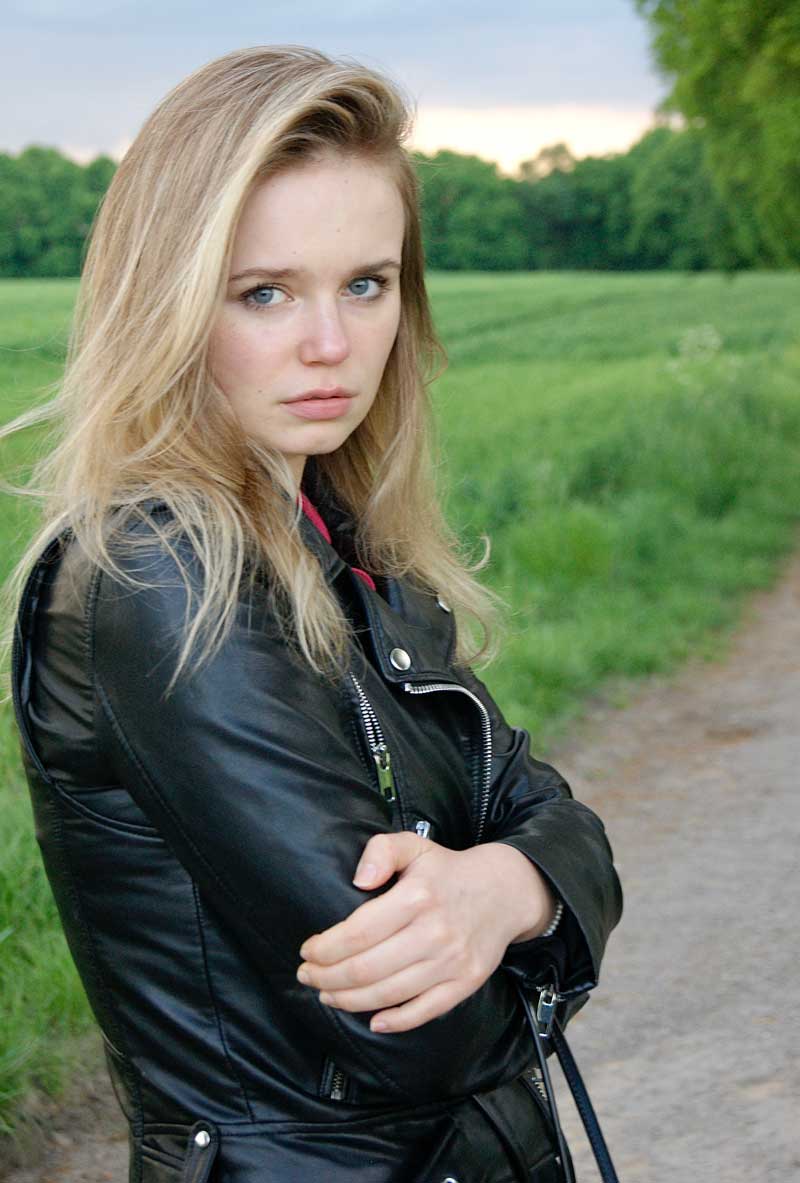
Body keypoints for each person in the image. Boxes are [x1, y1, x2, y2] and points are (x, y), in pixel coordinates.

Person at [1, 45, 622, 1183]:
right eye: (265, 293)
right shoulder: (164, 577)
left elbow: (543, 808)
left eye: (366, 284)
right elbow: (421, 1030)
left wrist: (506, 887)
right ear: (167, 300)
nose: (331, 344)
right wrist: (542, 901)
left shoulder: (342, 538)